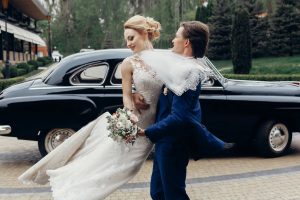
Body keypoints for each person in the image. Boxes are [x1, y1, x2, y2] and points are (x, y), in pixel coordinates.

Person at [18, 15, 164, 200]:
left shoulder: (163, 59)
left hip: (156, 123)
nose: (128, 43)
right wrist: (129, 115)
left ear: (144, 33)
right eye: (126, 39)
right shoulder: (128, 64)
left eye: (131, 38)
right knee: (114, 167)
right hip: (136, 124)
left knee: (127, 168)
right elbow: (126, 95)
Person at [137, 21, 227, 199]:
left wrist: (148, 132)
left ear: (186, 42)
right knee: (158, 192)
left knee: (173, 194)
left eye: (177, 36)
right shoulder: (180, 67)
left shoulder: (189, 71)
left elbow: (180, 117)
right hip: (165, 141)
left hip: (174, 143)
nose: (172, 40)